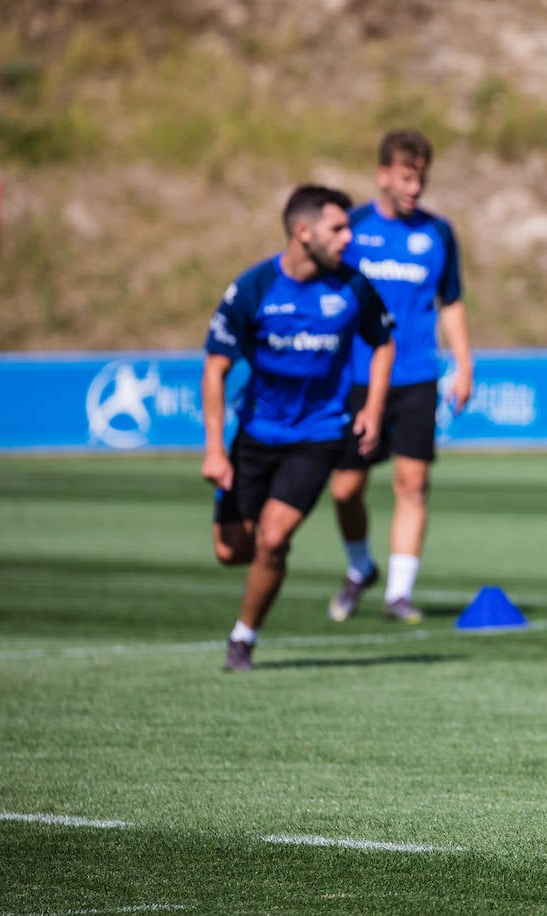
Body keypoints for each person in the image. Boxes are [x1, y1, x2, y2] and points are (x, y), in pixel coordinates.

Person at [202, 184, 394, 672]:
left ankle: (243, 638)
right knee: (231, 550)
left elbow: (384, 342)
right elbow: (215, 368)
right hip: (256, 435)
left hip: (318, 435)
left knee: (273, 537)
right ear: (303, 232)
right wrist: (215, 450)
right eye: (339, 228)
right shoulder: (252, 289)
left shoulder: (355, 286)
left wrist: (371, 407)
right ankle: (261, 581)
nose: (350, 237)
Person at [325, 129, 474, 625]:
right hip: (355, 377)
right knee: (345, 489)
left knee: (412, 483)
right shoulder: (351, 228)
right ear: (383, 175)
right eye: (407, 178)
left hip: (415, 376)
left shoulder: (437, 233)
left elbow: (450, 301)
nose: (416, 188)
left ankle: (398, 593)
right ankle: (359, 565)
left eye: (422, 179)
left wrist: (463, 363)